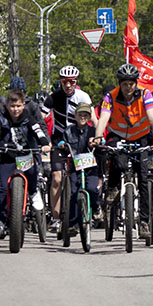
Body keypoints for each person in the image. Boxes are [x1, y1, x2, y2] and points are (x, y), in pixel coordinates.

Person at [92, 63, 153, 237]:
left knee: (144, 177)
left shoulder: (145, 95)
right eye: (125, 83)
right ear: (120, 83)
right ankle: (113, 188)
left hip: (141, 136)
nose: (128, 87)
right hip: (118, 135)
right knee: (117, 160)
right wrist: (97, 135)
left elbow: (152, 117)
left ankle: (145, 222)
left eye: (131, 83)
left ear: (136, 83)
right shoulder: (110, 97)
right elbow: (103, 118)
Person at [0, 88, 50, 238]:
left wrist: (44, 143)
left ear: (23, 105)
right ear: (7, 105)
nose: (15, 110)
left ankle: (34, 192)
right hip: (7, 157)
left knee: (33, 173)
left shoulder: (28, 117)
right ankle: (0, 221)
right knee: (2, 189)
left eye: (19, 106)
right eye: (12, 106)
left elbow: (37, 130)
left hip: (26, 156)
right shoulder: (2, 117)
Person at [54, 96, 98, 233]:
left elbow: (101, 143)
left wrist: (97, 142)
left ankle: (96, 209)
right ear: (75, 115)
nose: (83, 117)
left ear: (90, 116)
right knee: (73, 192)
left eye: (86, 115)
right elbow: (63, 142)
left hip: (90, 168)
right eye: (80, 115)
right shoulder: (69, 130)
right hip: (75, 167)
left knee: (92, 189)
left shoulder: (93, 131)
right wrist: (62, 145)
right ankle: (72, 223)